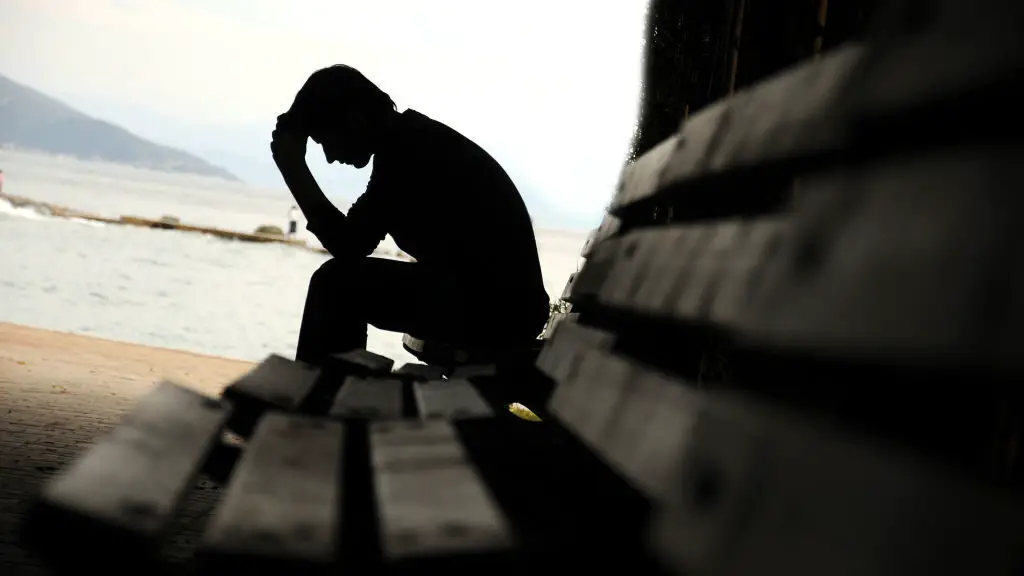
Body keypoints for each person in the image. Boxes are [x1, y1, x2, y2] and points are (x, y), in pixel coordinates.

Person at [271, 65, 551, 366]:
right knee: (339, 282)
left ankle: (317, 399)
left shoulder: (408, 151)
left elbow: (348, 244)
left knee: (335, 284)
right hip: (503, 306)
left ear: (354, 119)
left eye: (325, 139)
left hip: (498, 311)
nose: (328, 156)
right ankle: (328, 393)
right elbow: (353, 240)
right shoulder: (408, 141)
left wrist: (294, 168)